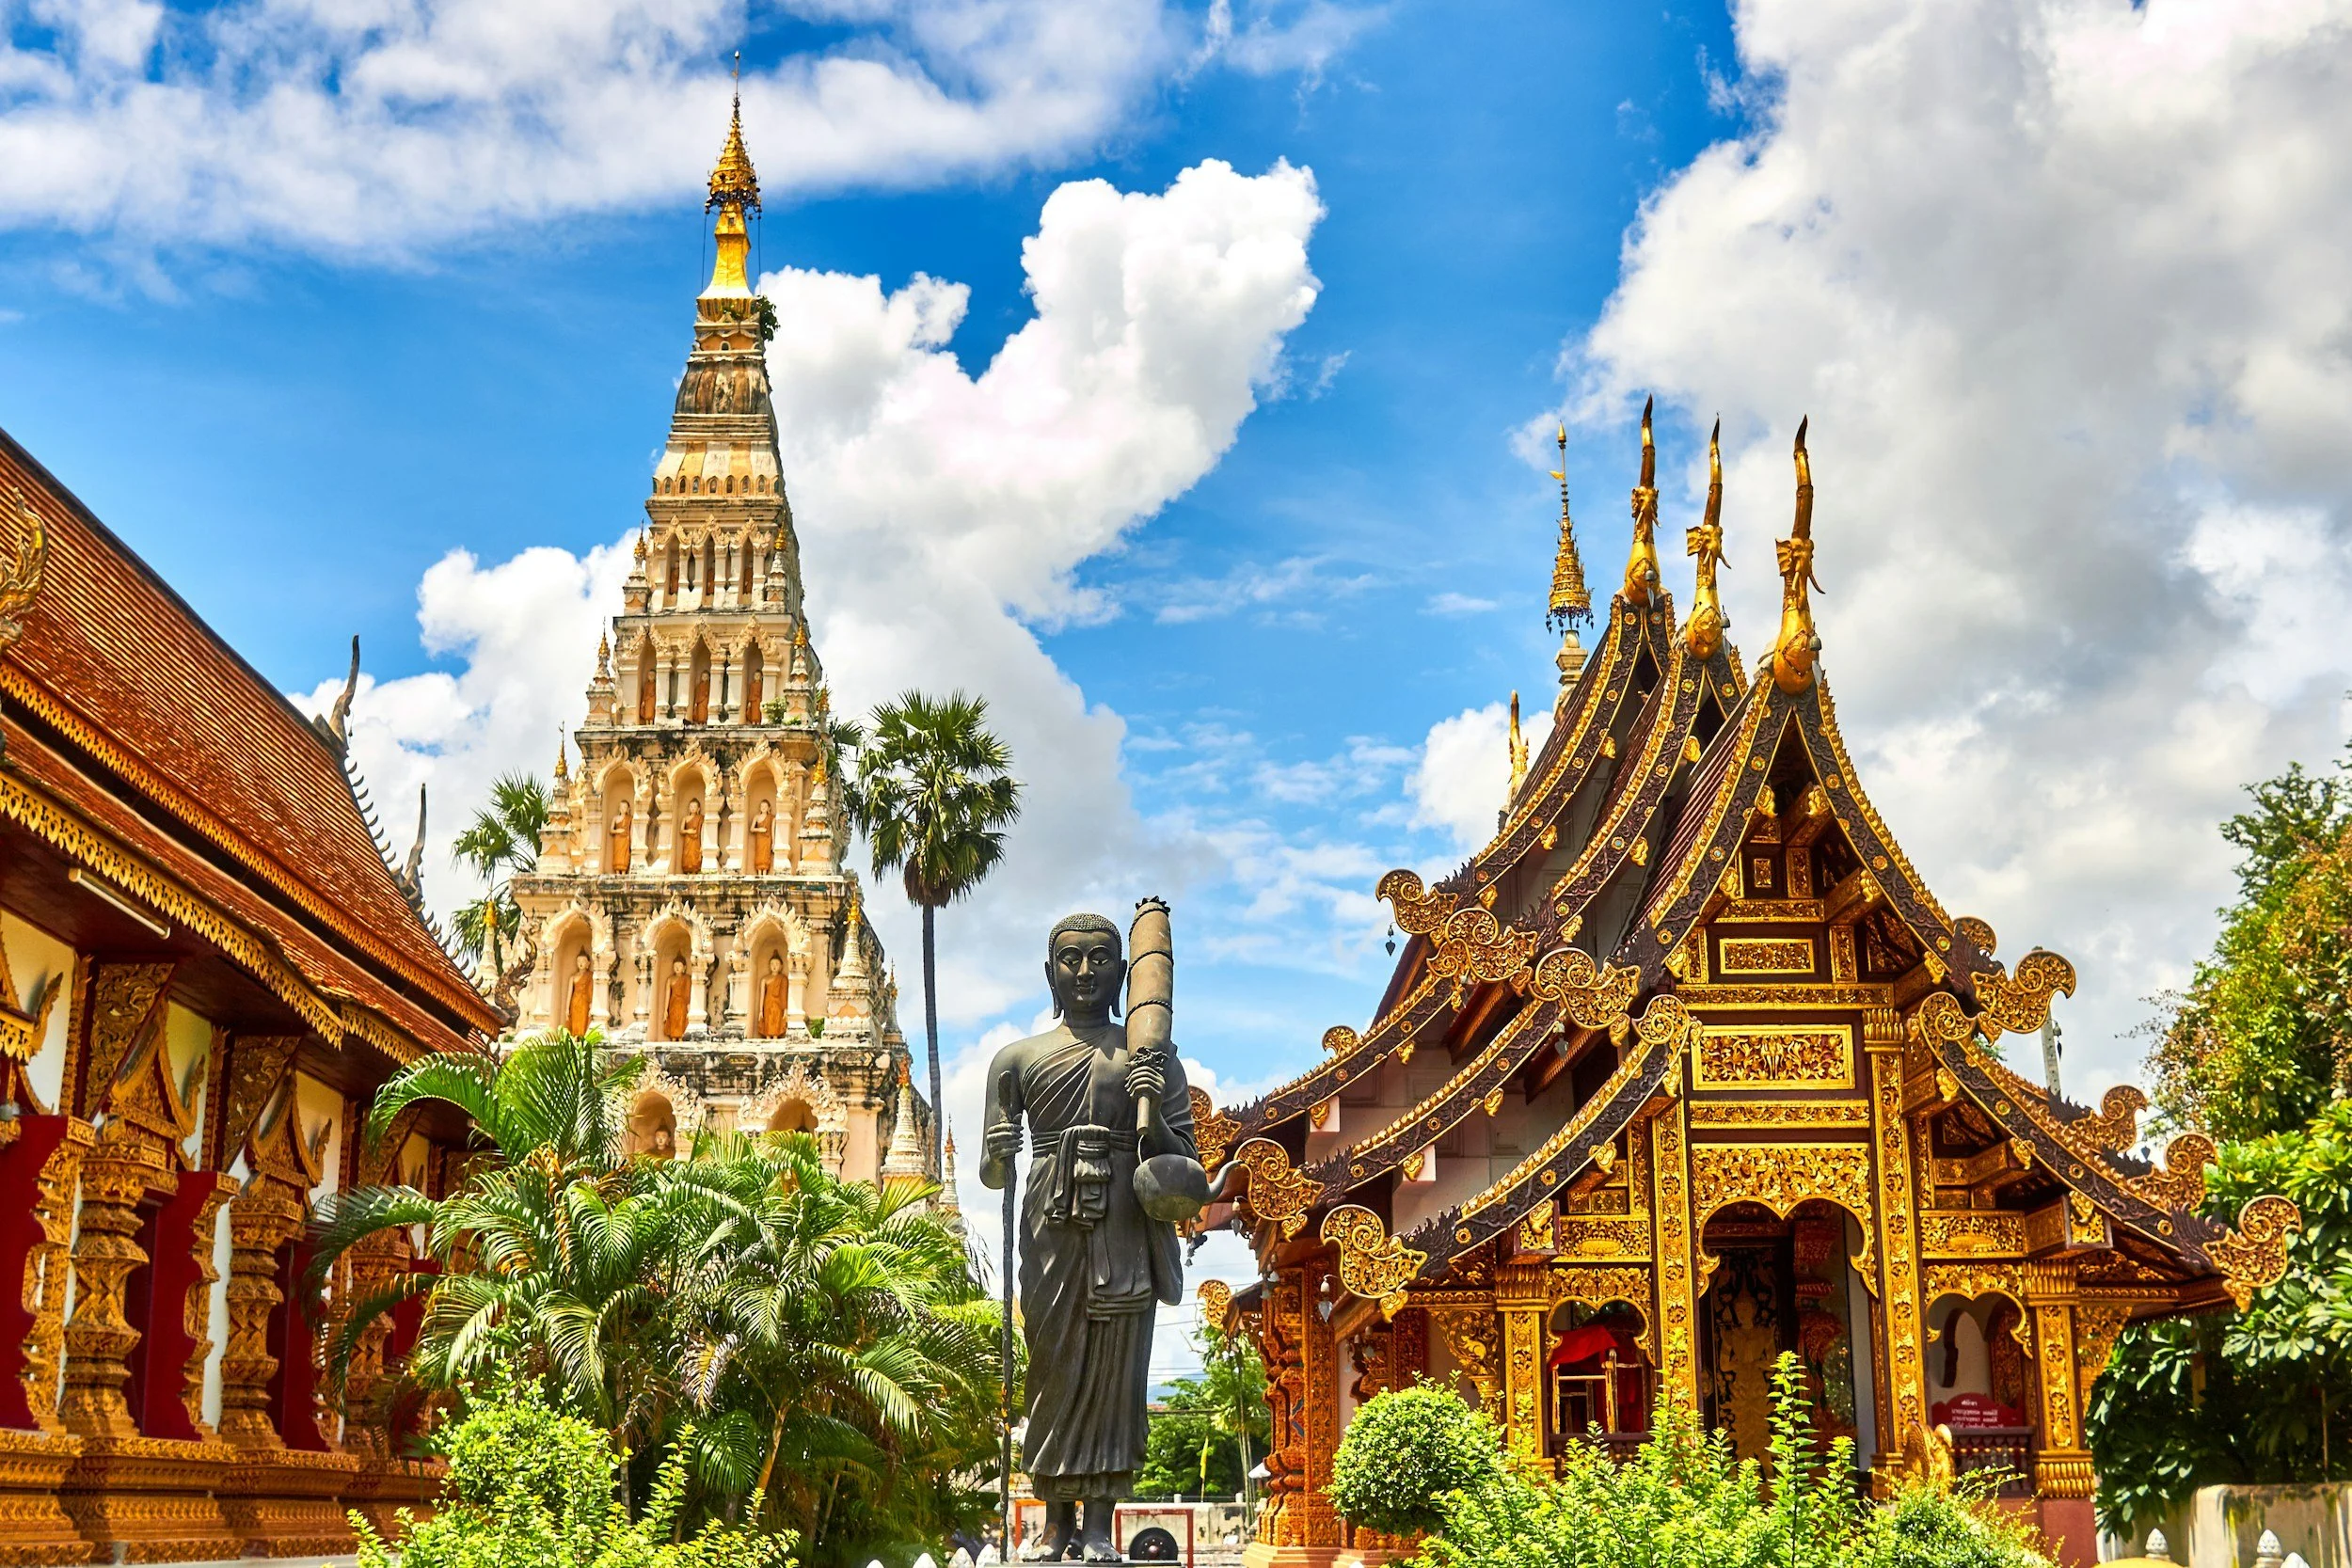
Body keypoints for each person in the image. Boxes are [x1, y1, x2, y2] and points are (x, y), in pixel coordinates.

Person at [982, 914, 1198, 1563]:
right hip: (1050, 1221)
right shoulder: (1016, 1059)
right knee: (1052, 1369)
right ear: (1050, 973)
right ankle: (1054, 1523)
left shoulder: (1151, 1060)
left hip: (1124, 1222)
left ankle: (1101, 1522)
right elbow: (995, 1173)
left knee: (1113, 1371)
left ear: (1123, 973)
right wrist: (998, 1150)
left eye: (1101, 959)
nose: (1084, 972)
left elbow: (1184, 1166)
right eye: (1070, 959)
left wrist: (1152, 1109)